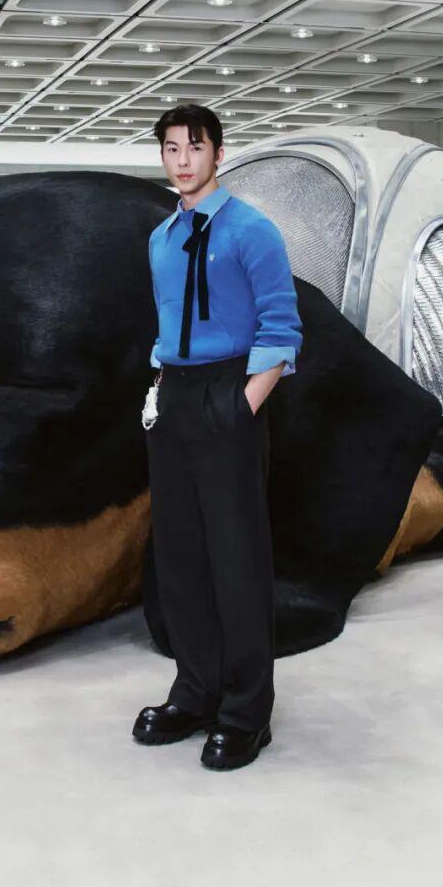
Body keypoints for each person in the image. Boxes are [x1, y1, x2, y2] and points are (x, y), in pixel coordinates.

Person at [133, 104, 302, 770]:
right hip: (173, 396)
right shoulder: (160, 238)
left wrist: (242, 406)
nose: (182, 161)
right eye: (171, 149)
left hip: (229, 392)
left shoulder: (252, 231)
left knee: (236, 561)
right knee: (179, 558)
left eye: (194, 148)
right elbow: (168, 322)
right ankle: (195, 691)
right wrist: (160, 391)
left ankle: (246, 712)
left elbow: (282, 329)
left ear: (218, 154)